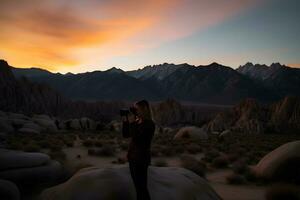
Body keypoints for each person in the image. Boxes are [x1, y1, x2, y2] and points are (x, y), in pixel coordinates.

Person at [122, 99, 155, 200]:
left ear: (144, 109)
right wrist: (125, 122)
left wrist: (132, 123)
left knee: (142, 188)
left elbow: (138, 139)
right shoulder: (138, 122)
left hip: (141, 159)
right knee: (138, 187)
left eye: (136, 109)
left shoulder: (149, 124)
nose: (134, 111)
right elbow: (126, 135)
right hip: (133, 158)